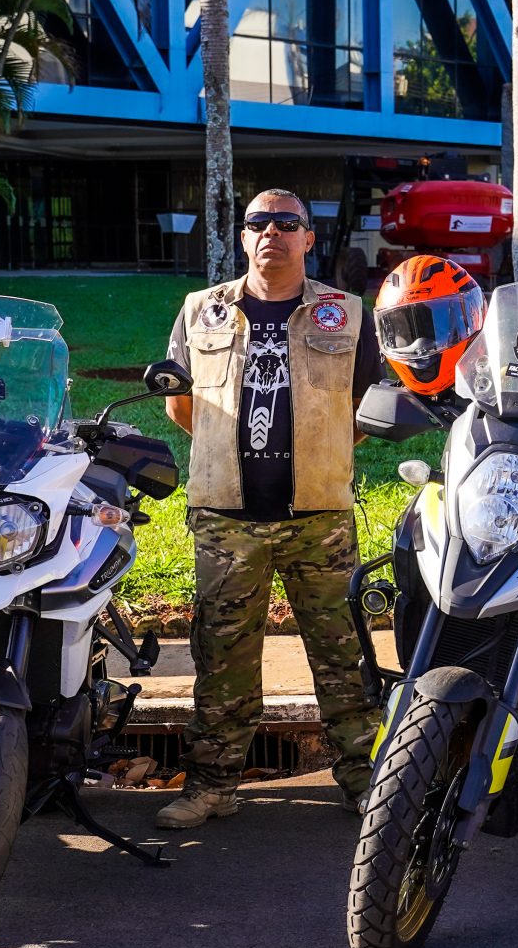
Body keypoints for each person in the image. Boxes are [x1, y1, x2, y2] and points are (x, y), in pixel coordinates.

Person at [156, 189, 383, 829]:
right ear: (243, 235)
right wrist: (231, 456)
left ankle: (366, 783)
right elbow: (181, 405)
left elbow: (362, 411)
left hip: (320, 519)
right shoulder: (201, 309)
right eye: (258, 222)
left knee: (344, 657)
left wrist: (316, 454)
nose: (271, 233)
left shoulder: (347, 314)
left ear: (309, 238)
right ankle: (212, 787)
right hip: (227, 520)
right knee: (222, 658)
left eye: (287, 223)